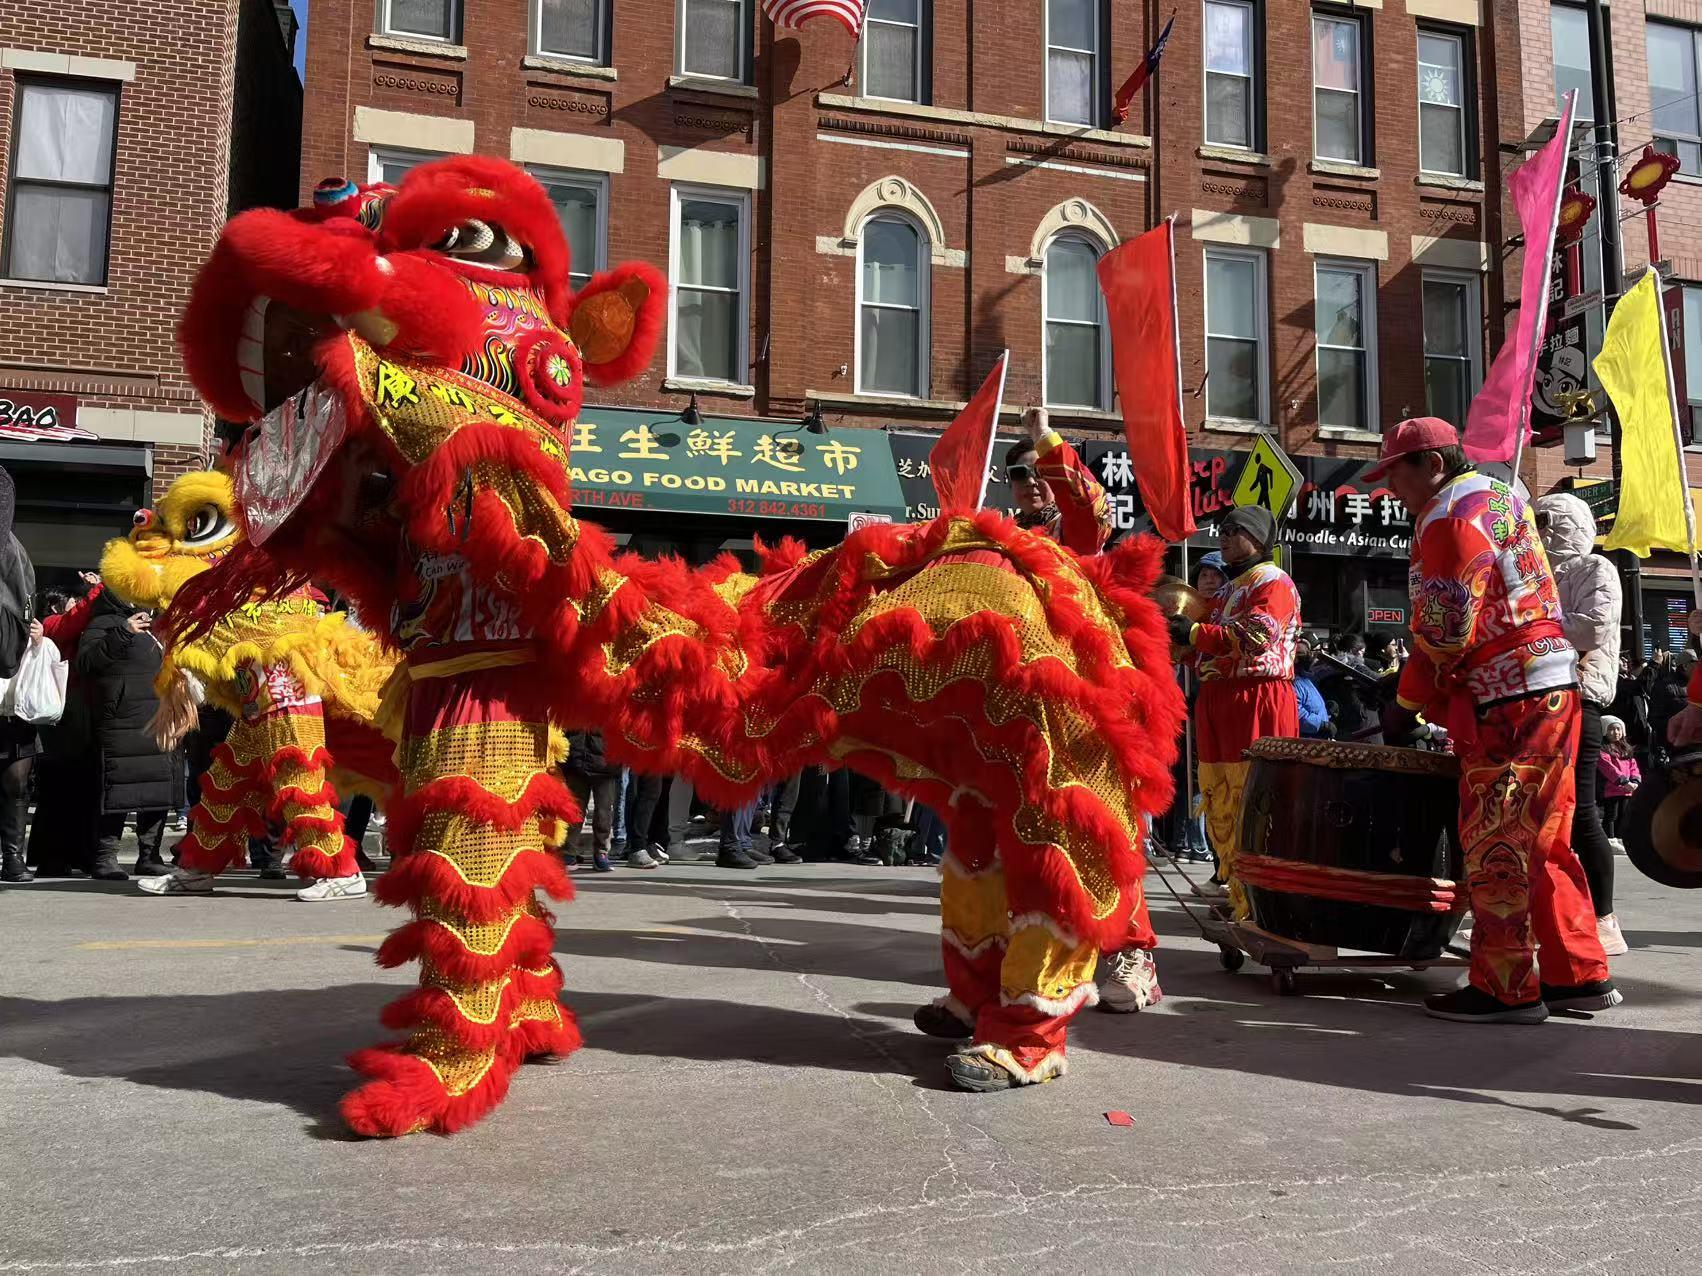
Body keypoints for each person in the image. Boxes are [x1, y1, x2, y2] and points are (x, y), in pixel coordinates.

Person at [1373, 418, 1618, 1023]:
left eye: (1396, 474)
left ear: (1430, 463)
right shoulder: (1503, 497)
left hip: (1509, 701)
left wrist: (1402, 705)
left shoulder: (1451, 518)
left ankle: (1504, 985)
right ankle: (1575, 973)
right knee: (1545, 838)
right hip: (1552, 688)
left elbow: (1444, 631)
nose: (1392, 490)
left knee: (1496, 840)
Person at [1004, 406, 1160, 1013]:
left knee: (1101, 827)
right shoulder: (1003, 540)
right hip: (1020, 704)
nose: (1032, 482)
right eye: (1020, 475)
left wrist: (1044, 439)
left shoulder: (1077, 537)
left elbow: (1089, 503)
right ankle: (1036, 953)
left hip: (1084, 702)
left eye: (1039, 472)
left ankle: (1132, 953)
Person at [1167, 505, 1300, 916]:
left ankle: (1262, 898)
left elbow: (1258, 636)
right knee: (1220, 795)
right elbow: (1201, 648)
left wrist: (1193, 632)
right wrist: (1176, 639)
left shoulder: (1273, 581)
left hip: (1257, 695)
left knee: (1254, 798)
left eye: (1232, 530)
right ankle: (1236, 891)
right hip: (1218, 697)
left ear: (1258, 538)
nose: (1222, 536)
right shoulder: (1224, 591)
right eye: (1221, 529)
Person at [1535, 492, 1625, 957]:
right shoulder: (1536, 575)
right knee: (1543, 810)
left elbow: (1593, 627)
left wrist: (1537, 622)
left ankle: (1605, 917)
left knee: (1583, 808)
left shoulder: (1596, 569)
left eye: (1546, 521)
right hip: (1539, 697)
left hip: (1581, 697)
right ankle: (1553, 913)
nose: (1539, 528)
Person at [76, 590, 183, 880]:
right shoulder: (103, 623)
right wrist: (123, 632)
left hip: (159, 715)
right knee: (118, 786)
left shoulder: (159, 624)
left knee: (159, 787)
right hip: (121, 719)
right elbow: (86, 663)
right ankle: (105, 857)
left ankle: (150, 855)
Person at [562, 730, 627, 871]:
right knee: (573, 810)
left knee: (604, 811)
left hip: (605, 761)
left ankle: (601, 852)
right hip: (576, 759)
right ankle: (568, 852)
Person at [1596, 715, 1639, 854]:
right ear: (1604, 732)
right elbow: (1608, 768)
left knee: (1624, 815)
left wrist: (1635, 780)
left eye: (1618, 729)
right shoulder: (1603, 750)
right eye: (1612, 729)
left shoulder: (1626, 749)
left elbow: (1634, 766)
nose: (1616, 732)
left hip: (1626, 790)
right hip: (1612, 790)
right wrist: (1623, 781)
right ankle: (1610, 839)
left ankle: (1620, 839)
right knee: (1611, 815)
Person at [1293, 637, 1333, 739]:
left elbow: (1311, 704)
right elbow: (1296, 713)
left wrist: (1326, 710)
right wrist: (1320, 725)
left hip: (1318, 737)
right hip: (1307, 740)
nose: (1309, 655)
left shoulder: (1306, 679)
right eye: (1302, 653)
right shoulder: (1293, 682)